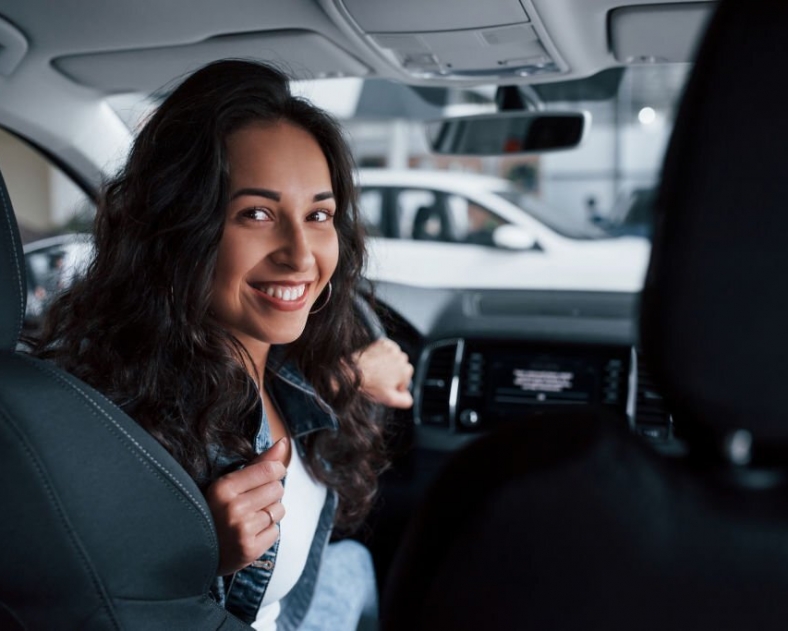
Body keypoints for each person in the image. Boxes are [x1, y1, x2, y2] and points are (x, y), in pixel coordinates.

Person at [32, 58, 413, 629]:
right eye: (256, 213)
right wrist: (197, 556)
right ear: (178, 229)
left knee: (353, 562)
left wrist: (350, 374)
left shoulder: (276, 361)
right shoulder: (111, 427)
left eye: (318, 214)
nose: (301, 255)